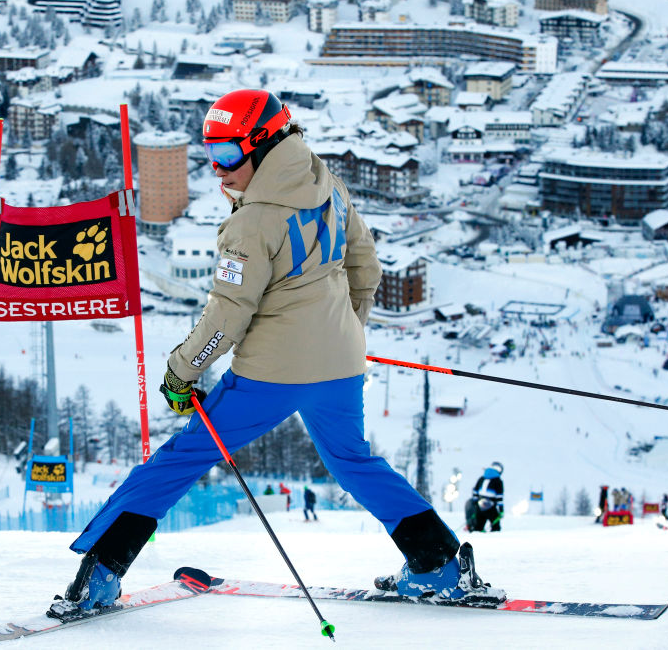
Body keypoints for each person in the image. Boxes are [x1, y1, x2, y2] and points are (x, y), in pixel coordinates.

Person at [52, 89, 502, 619]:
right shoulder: (325, 183)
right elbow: (367, 267)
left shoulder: (252, 221)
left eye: (226, 156)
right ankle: (439, 565)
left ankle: (101, 573)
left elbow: (227, 316)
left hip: (270, 376)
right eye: (210, 154)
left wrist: (181, 372)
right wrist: (342, 334)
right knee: (355, 462)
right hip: (340, 366)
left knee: (184, 457)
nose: (217, 171)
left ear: (263, 146)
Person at [470, 462, 504, 532]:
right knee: (496, 527)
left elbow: (475, 491)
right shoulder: (498, 481)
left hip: (480, 504)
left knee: (478, 527)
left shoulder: (482, 478)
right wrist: (501, 510)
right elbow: (499, 498)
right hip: (490, 505)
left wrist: (475, 503)